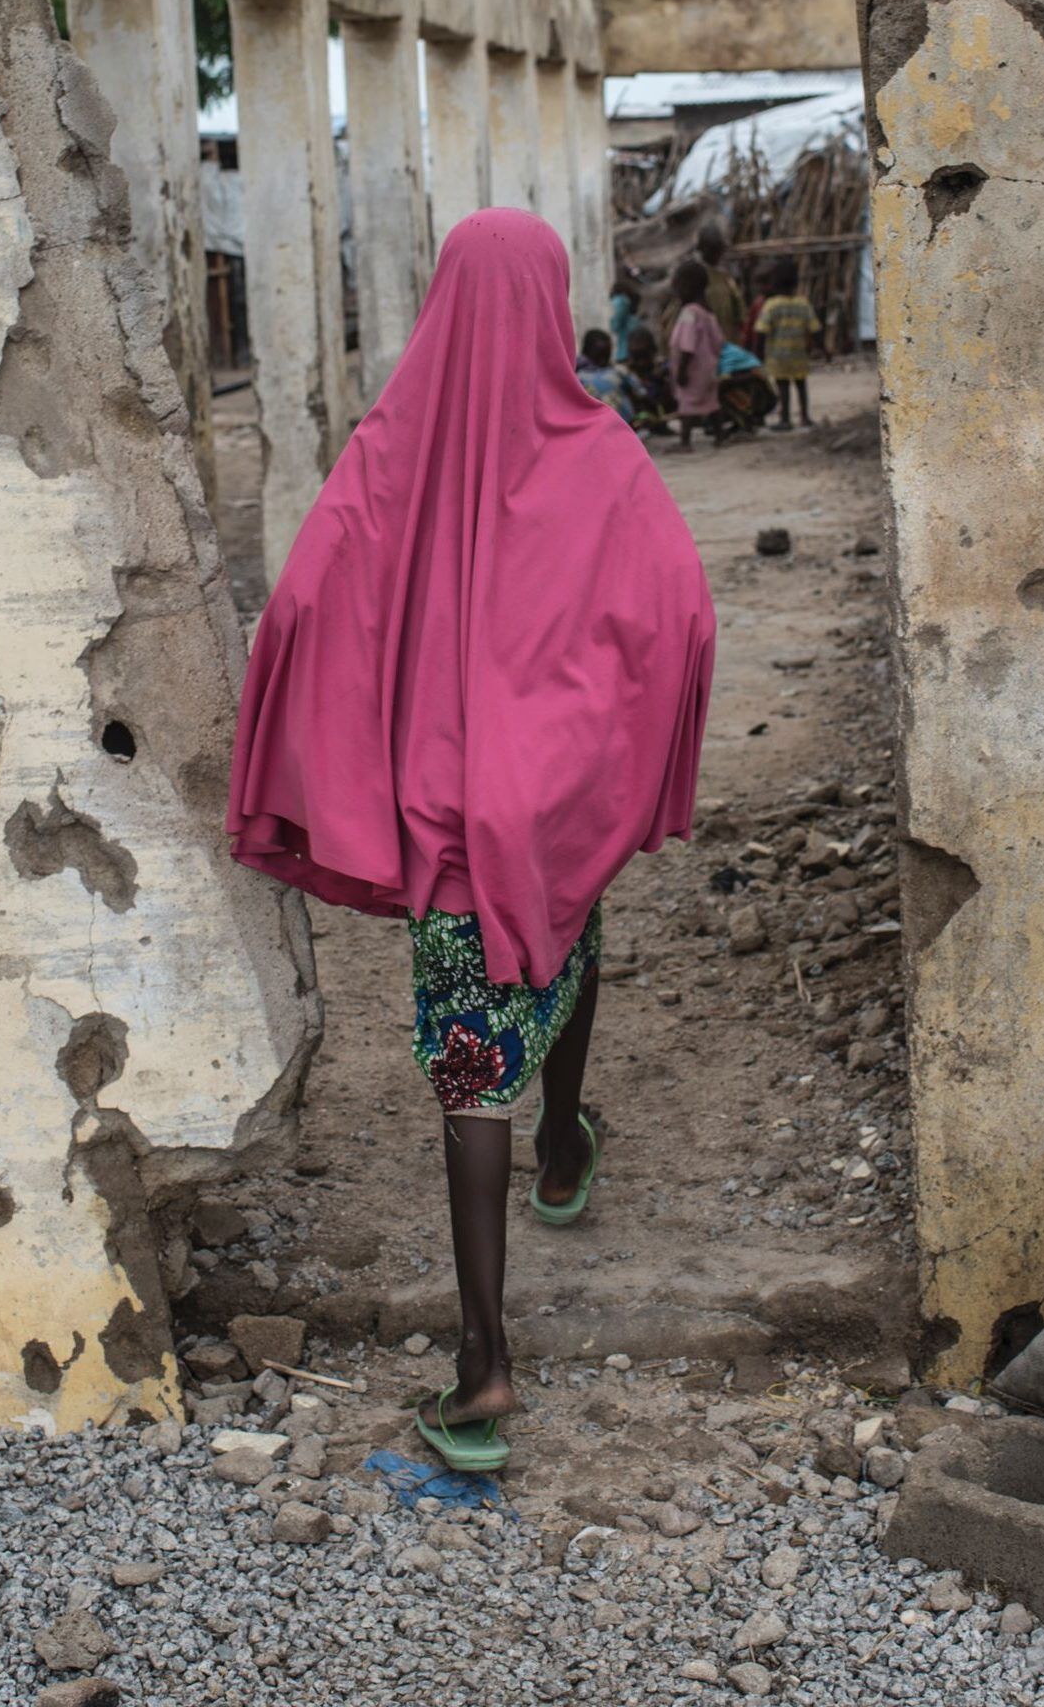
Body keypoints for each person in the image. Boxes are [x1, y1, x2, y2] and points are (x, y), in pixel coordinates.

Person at [227, 211, 714, 1476]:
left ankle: (487, 1361)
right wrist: (609, 743)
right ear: (554, 304)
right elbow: (684, 615)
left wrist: (348, 724)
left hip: (447, 814)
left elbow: (299, 605)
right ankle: (566, 1147)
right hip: (551, 803)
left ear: (443, 293)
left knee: (465, 1065)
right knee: (566, 936)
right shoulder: (601, 454)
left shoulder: (391, 442)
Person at [664, 258, 726, 447]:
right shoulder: (708, 313)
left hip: (692, 369)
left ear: (688, 286)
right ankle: (719, 435)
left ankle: (685, 441)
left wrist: (682, 370)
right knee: (711, 402)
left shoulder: (690, 313)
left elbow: (687, 346)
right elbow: (719, 341)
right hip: (709, 368)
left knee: (687, 404)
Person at [753, 258, 820, 431]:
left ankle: (785, 419)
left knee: (783, 387)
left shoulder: (771, 305)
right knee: (801, 385)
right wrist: (824, 350)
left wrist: (758, 354)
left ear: (774, 281)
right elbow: (815, 329)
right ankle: (805, 416)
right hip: (799, 356)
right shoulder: (803, 304)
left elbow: (761, 331)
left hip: (778, 356)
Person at [693, 228, 748, 356]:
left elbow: (739, 308)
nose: (715, 254)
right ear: (702, 250)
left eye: (717, 250)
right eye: (712, 250)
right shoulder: (695, 275)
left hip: (726, 340)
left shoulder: (725, 278)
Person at [576, 327, 639, 425]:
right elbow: (641, 392)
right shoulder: (619, 371)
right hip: (620, 424)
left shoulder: (576, 375)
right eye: (599, 355)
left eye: (605, 355)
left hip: (605, 425)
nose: (603, 360)